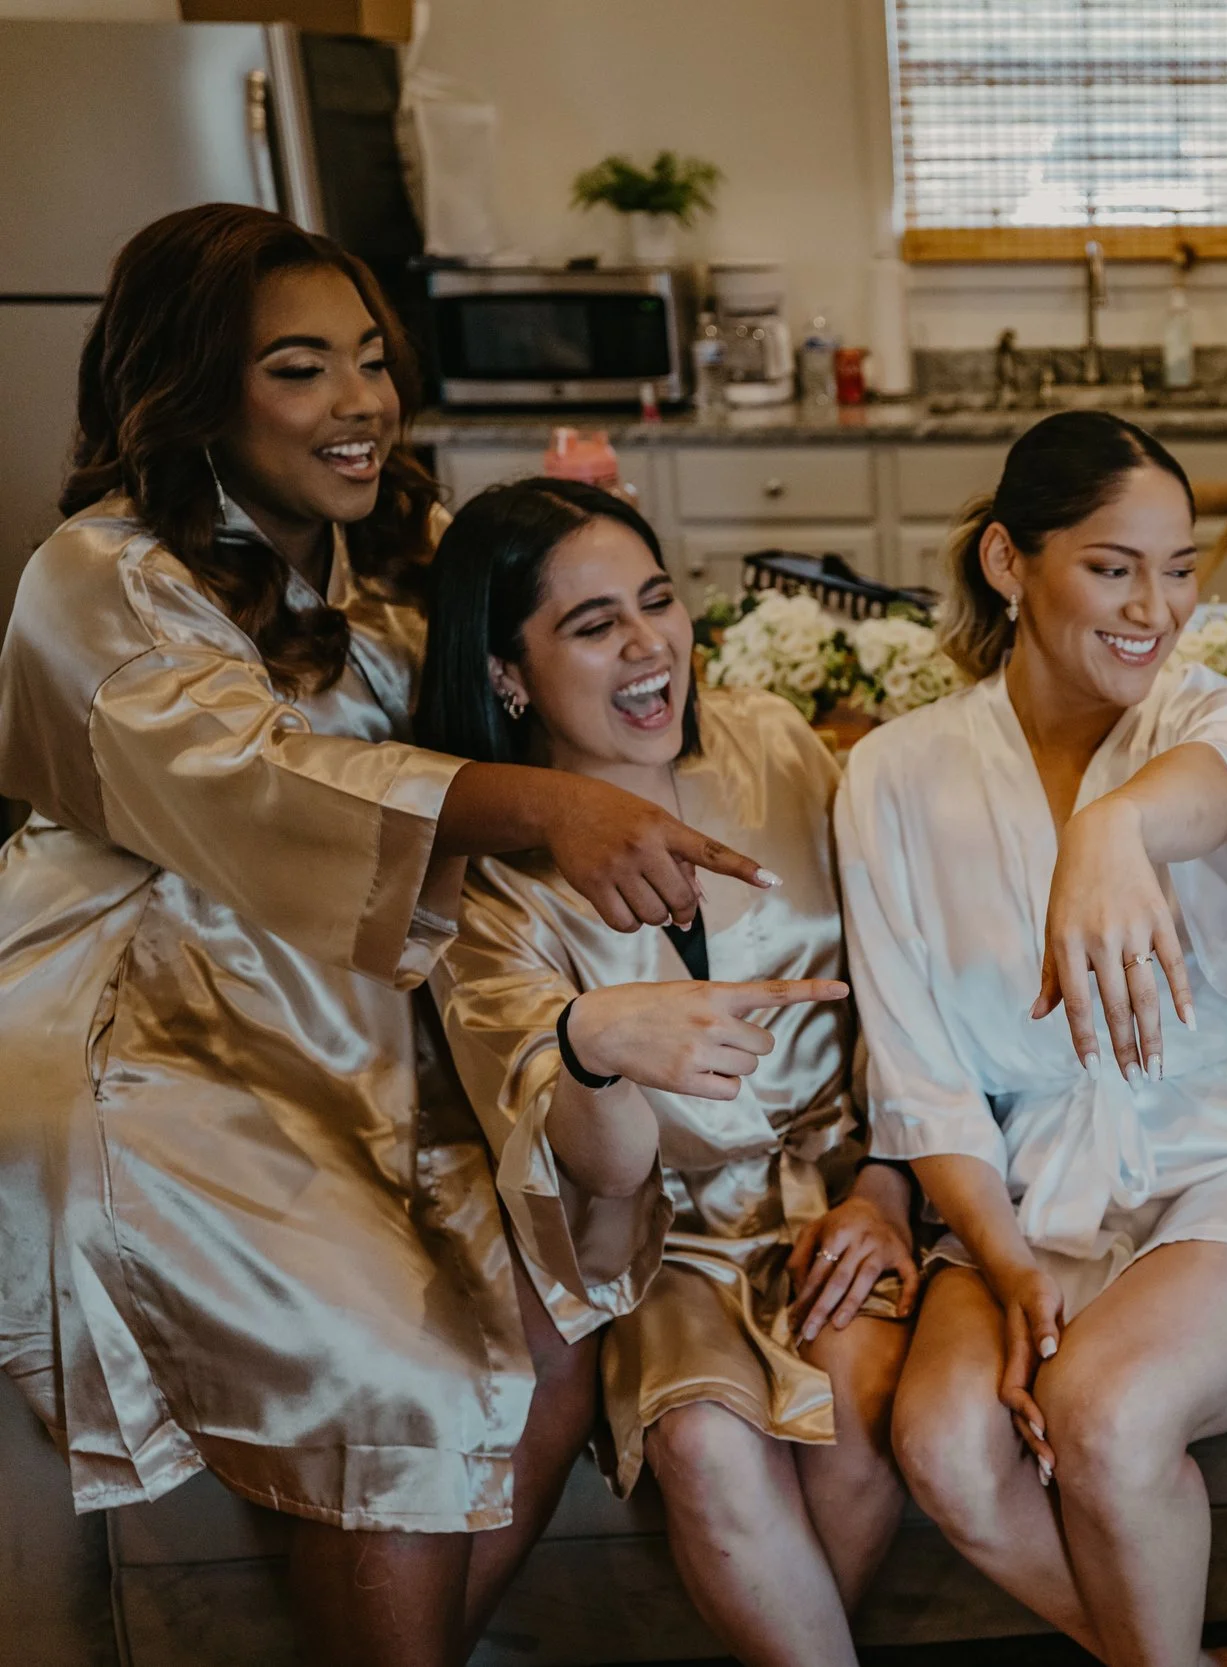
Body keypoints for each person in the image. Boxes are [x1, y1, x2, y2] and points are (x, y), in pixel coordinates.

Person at [0, 205, 767, 1667]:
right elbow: (250, 776)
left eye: (369, 359)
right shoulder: (98, 577)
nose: (359, 402)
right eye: (300, 368)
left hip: (346, 1028)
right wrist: (540, 804)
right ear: (195, 387)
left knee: (558, 1291)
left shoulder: (380, 587)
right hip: (148, 1040)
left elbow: (524, 697)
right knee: (402, 1368)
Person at [838, 411, 1227, 1667]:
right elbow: (922, 1075)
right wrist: (1014, 1267)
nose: (1156, 606)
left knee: (1106, 1409)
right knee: (946, 1445)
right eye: (1112, 565)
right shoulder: (895, 776)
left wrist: (1110, 829)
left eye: (1179, 567)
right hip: (1033, 1179)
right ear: (1009, 563)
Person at [418, 479, 918, 1667]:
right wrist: (592, 1041)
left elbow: (908, 983)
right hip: (664, 1237)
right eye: (593, 627)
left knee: (856, 1404)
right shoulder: (490, 893)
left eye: (657, 601)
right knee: (698, 1438)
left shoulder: (776, 745)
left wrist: (887, 1185)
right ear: (506, 673)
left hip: (846, 1191)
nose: (650, 646)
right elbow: (599, 1172)